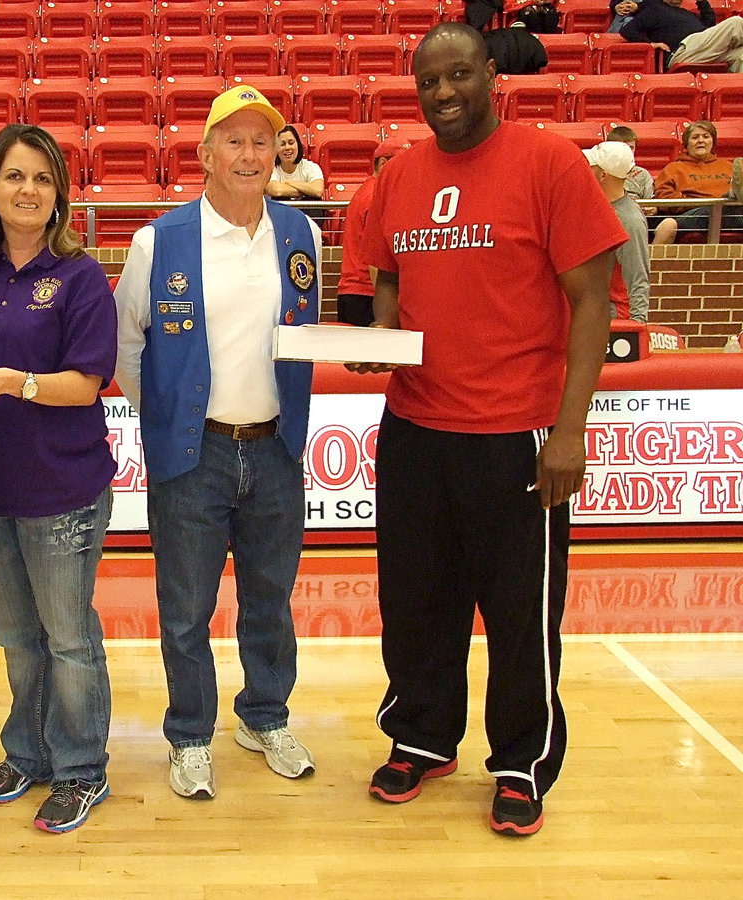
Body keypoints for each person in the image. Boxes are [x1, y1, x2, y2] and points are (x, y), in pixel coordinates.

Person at [355, 23, 625, 836]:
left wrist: (569, 430)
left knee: (519, 616)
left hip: (517, 436)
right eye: (429, 82)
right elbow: (387, 280)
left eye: (460, 75)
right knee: (416, 603)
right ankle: (421, 736)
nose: (444, 94)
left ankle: (521, 761)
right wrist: (379, 342)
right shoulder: (397, 177)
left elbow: (592, 304)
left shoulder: (548, 164)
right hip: (415, 429)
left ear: (491, 78)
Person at [115, 84, 321, 800]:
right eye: (233, 140)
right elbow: (126, 345)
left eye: (262, 140)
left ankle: (264, 716)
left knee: (271, 598)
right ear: (204, 154)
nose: (250, 153)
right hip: (193, 457)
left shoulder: (302, 232)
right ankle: (190, 735)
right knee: (186, 609)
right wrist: (170, 418)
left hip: (274, 451)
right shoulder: (158, 241)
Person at [0, 123, 117, 834]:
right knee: (17, 637)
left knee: (68, 638)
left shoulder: (79, 277)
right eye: (14, 176)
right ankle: (28, 751)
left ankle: (81, 770)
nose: (28, 189)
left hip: (63, 490)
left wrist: (14, 382)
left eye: (42, 178)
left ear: (60, 197)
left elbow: (86, 382)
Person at [337, 138, 411, 326]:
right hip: (366, 295)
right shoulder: (375, 196)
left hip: (355, 293)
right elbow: (375, 259)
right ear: (383, 163)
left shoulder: (366, 191)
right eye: (401, 163)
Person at [585, 141, 651, 322]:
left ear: (603, 174)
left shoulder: (629, 220)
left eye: (590, 167)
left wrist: (638, 326)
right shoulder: (595, 208)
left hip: (614, 318)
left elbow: (638, 276)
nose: (585, 170)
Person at [652, 120, 742, 244]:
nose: (701, 140)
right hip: (694, 215)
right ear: (686, 144)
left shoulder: (728, 166)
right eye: (695, 137)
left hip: (730, 214)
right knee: (713, 208)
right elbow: (664, 199)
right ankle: (729, 196)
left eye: (706, 137)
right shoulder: (673, 168)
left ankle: (730, 196)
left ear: (712, 142)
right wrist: (694, 201)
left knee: (727, 207)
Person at [621, 0, 743, 72]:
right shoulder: (654, 10)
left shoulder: (688, 14)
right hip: (682, 50)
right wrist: (650, 44)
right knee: (735, 22)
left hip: (702, 49)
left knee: (740, 55)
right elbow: (628, 30)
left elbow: (709, 25)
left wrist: (702, 2)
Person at [265, 125, 325, 201]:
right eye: (282, 144)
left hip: (307, 212)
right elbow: (277, 191)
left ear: (298, 145)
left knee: (314, 199)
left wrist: (289, 182)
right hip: (282, 211)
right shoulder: (270, 169)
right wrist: (307, 190)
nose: (287, 148)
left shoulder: (311, 167)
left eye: (291, 143)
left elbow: (318, 191)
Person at [606, 125, 656, 205]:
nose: (628, 151)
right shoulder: (601, 172)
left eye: (631, 148)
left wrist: (653, 209)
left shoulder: (642, 174)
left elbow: (651, 202)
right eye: (624, 147)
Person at [483, 15, 549, 74]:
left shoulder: (492, 36)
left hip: (496, 72)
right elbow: (542, 60)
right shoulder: (534, 41)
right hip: (525, 78)